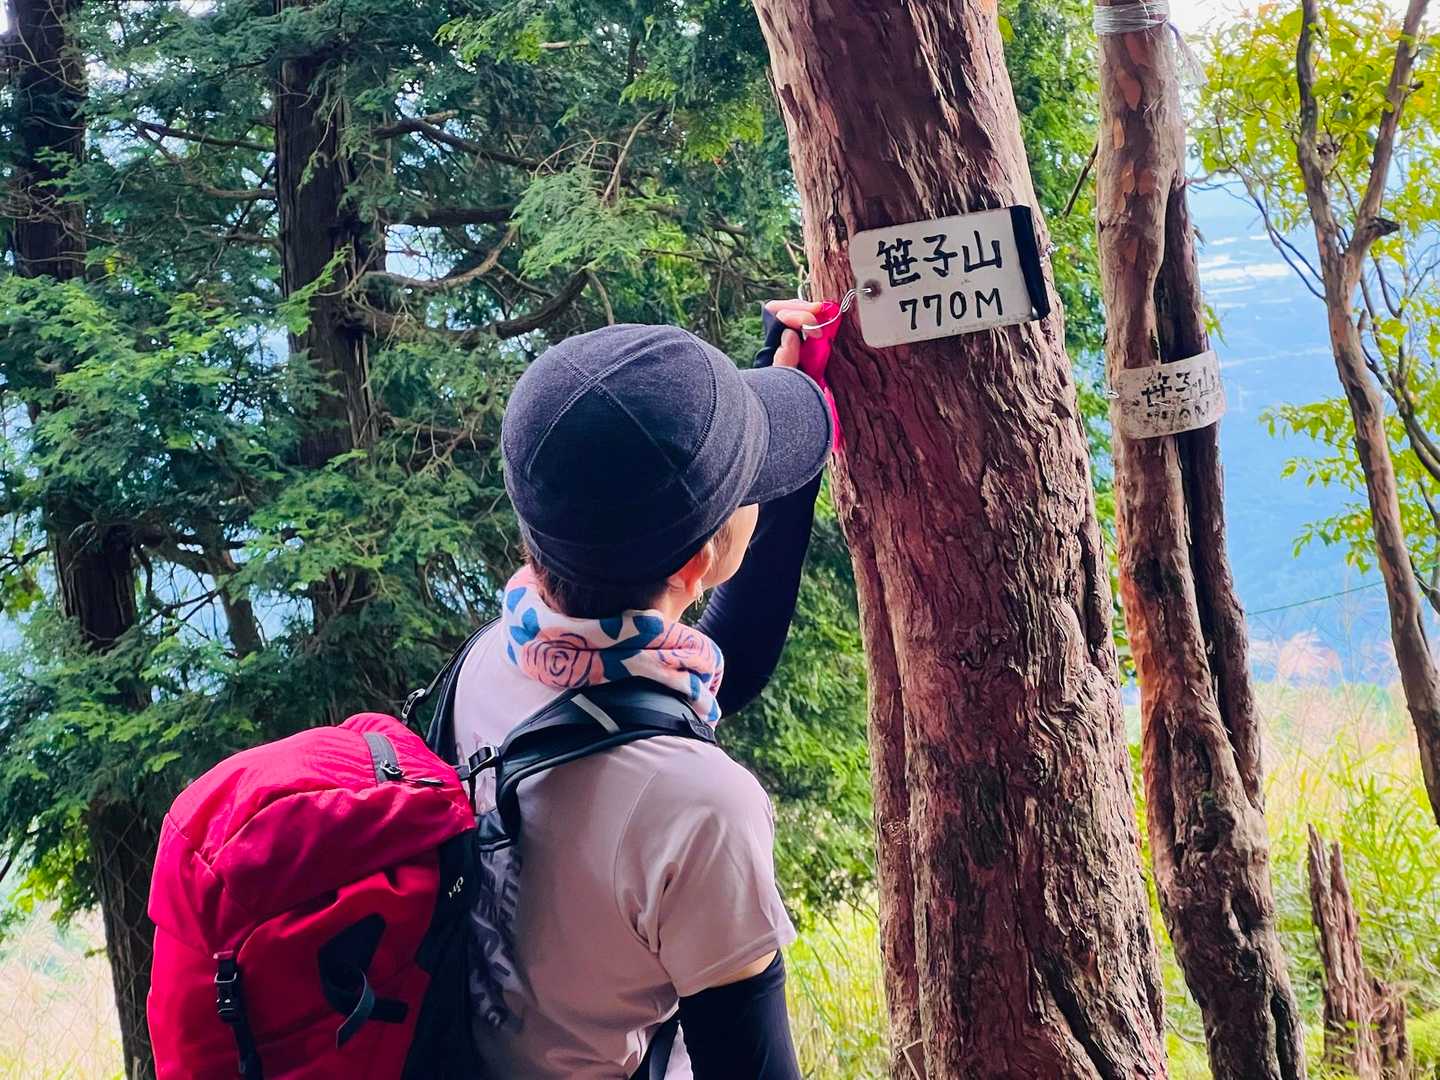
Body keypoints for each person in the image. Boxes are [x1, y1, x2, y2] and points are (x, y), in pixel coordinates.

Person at [452, 299, 835, 1080]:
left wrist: (781, 461)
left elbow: (709, 674)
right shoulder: (703, 811)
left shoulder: (497, 660)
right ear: (698, 563)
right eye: (749, 487)